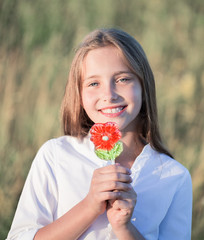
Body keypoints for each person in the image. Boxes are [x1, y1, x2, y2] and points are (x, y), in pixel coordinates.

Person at [7, 28, 192, 240]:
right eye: (94, 83)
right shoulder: (55, 156)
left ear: (143, 85)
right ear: (79, 93)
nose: (109, 95)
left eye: (122, 79)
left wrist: (124, 228)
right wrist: (89, 206)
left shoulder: (174, 177)